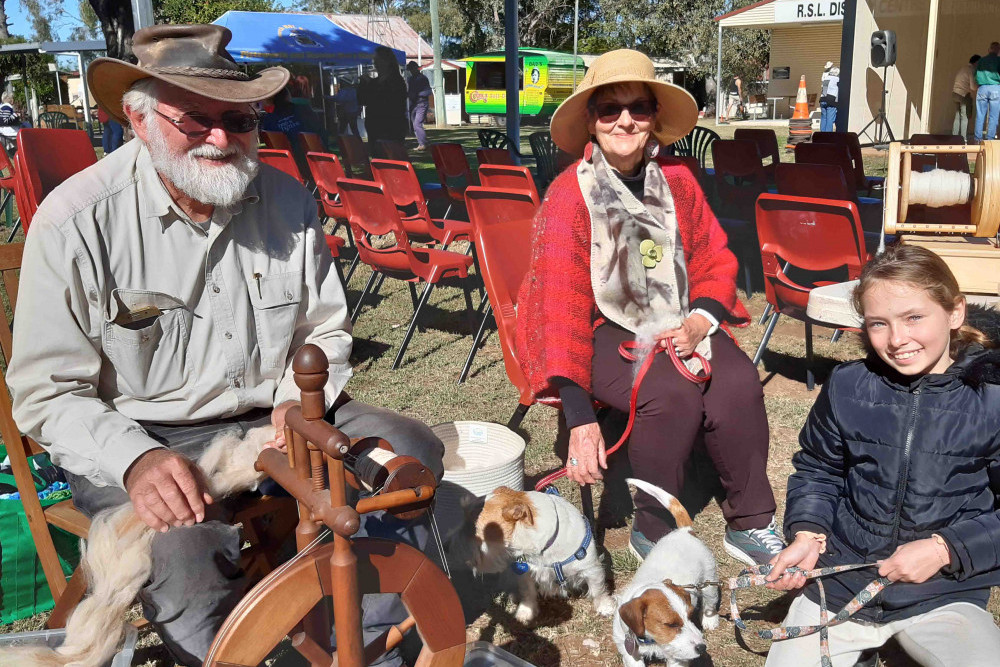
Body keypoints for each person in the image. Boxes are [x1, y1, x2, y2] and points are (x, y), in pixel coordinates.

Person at [7, 24, 444, 667]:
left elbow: (323, 331)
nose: (220, 138)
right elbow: (48, 392)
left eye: (238, 120)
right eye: (195, 121)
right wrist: (135, 461)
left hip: (279, 414)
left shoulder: (289, 204)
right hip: (143, 434)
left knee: (410, 452)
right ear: (140, 118)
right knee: (183, 555)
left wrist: (295, 406)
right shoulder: (77, 221)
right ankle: (222, 653)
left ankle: (369, 645)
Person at [516, 49, 783, 566]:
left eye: (638, 108)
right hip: (603, 328)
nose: (624, 120)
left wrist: (702, 317)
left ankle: (751, 522)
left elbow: (714, 257)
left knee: (739, 382)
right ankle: (653, 530)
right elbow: (558, 307)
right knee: (670, 393)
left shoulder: (678, 181)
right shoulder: (568, 197)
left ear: (654, 118)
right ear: (591, 121)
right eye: (608, 110)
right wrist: (579, 416)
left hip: (682, 319)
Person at [764, 244, 1000, 667]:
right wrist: (808, 533)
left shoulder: (993, 400)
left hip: (943, 593)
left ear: (955, 313)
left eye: (914, 317)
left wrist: (945, 549)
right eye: (878, 323)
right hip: (839, 582)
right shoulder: (848, 385)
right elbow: (818, 470)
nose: (896, 339)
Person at [358, 46, 407, 146]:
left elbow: (385, 102)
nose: (375, 63)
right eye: (374, 60)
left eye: (377, 60)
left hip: (391, 129)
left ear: (386, 61)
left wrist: (370, 84)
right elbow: (362, 100)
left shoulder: (396, 81)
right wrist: (363, 84)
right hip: (374, 130)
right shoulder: (375, 81)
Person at [974, 41, 1000, 143]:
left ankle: (977, 140)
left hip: (982, 88)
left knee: (980, 115)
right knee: (994, 116)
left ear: (989, 49)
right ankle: (990, 140)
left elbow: (975, 74)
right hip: (996, 88)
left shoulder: (981, 60)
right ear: (998, 50)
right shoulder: (999, 60)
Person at [953, 55, 980, 141]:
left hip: (955, 93)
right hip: (963, 94)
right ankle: (963, 139)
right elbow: (972, 87)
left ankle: (954, 137)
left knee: (957, 116)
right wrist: (980, 86)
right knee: (965, 117)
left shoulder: (963, 68)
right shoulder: (971, 70)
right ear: (976, 62)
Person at [406, 61, 431, 150]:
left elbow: (428, 91)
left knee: (417, 124)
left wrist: (417, 94)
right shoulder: (410, 79)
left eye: (412, 68)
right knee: (415, 125)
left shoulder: (423, 78)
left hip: (422, 103)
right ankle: (422, 143)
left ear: (416, 68)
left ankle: (423, 144)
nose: (411, 71)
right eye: (410, 69)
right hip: (413, 105)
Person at [820, 61, 839, 132]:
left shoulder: (826, 79)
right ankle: (828, 136)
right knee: (830, 120)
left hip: (822, 99)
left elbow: (824, 90)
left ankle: (822, 134)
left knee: (823, 118)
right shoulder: (837, 80)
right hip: (831, 100)